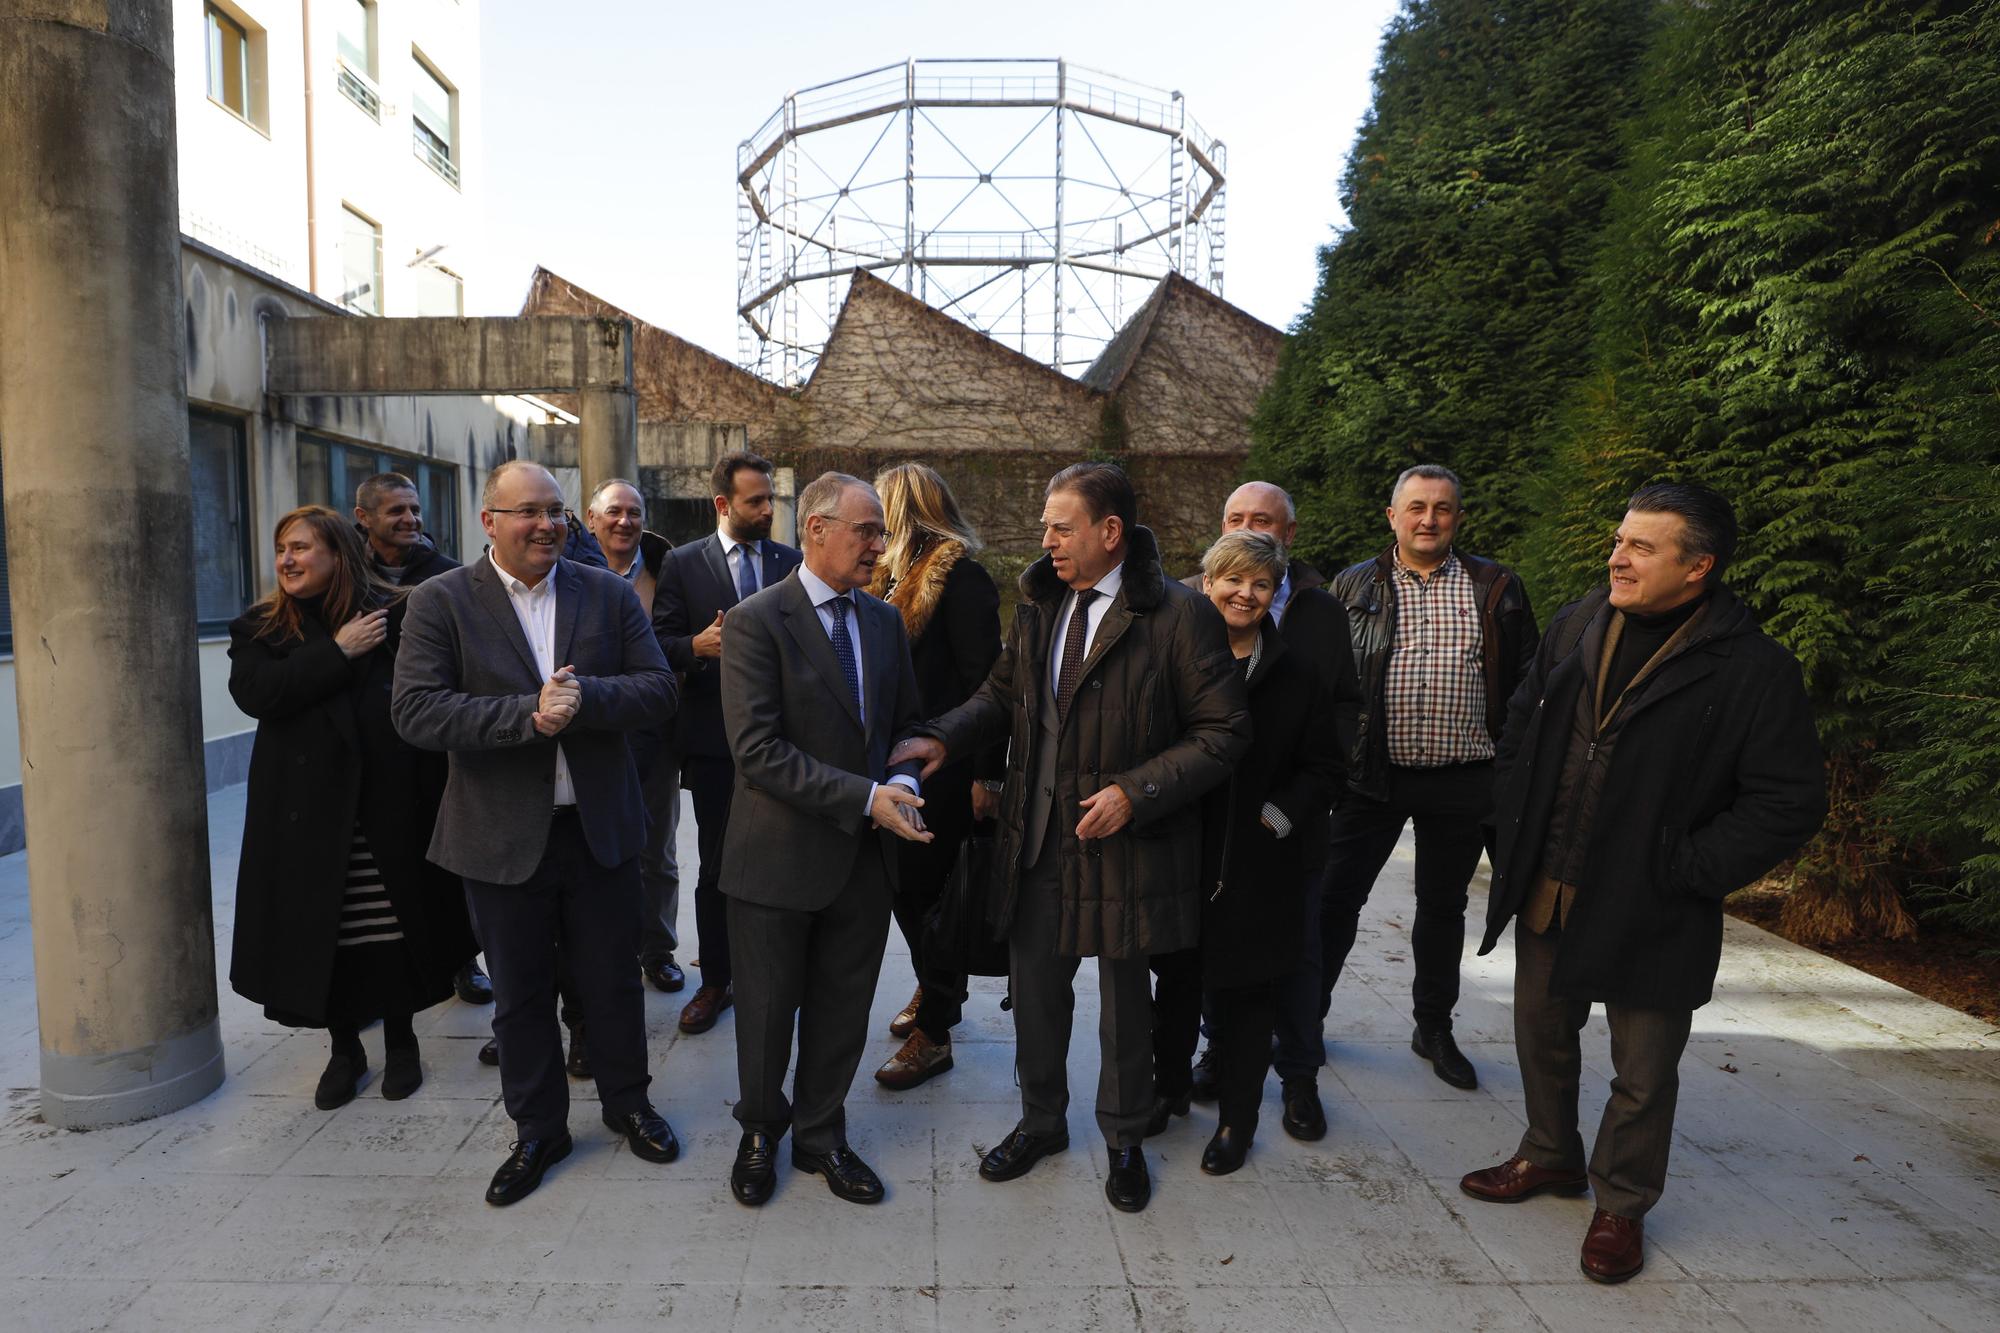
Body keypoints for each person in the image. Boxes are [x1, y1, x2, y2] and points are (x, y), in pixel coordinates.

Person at [1459, 481, 1824, 1283]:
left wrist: (1688, 869)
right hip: (1552, 879)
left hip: (1656, 903)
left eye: (1641, 547)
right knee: (1542, 1035)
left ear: (1698, 567)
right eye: (1620, 539)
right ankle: (1549, 1153)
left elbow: (1789, 800)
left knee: (1643, 1068)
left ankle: (1621, 1203)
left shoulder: (1754, 668)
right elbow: (1522, 720)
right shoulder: (1582, 619)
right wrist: (1511, 821)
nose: (1617, 557)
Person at [893, 462, 1248, 1214]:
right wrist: (942, 741)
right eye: (1047, 526)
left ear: (1109, 532)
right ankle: (1041, 1121)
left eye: (1062, 526)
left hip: (1126, 841)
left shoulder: (1179, 616)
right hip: (1038, 837)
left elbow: (1224, 732)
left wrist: (1134, 790)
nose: (1046, 540)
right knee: (1039, 994)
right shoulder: (1043, 601)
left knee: (1125, 1001)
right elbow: (999, 693)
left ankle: (1123, 1139)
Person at [392, 461, 680, 1206]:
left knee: (613, 981)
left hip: (600, 829)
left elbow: (658, 687)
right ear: (489, 521)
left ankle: (628, 1103)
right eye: (529, 512)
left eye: (556, 511)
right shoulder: (441, 602)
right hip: (497, 835)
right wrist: (525, 713)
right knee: (519, 994)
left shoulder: (607, 593)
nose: (548, 524)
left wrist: (581, 701)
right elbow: (417, 712)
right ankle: (538, 1129)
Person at [717, 472, 931, 1208]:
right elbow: (758, 751)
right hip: (775, 859)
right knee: (769, 1013)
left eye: (881, 533)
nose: (880, 545)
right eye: (867, 531)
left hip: (863, 863)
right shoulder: (755, 621)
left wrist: (908, 784)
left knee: (844, 1011)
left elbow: (905, 726)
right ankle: (759, 1132)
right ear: (815, 529)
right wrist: (869, 796)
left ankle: (821, 1136)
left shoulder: (884, 622)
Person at [228, 506, 476, 1109]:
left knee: (391, 926)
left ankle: (401, 1042)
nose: (287, 559)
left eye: (302, 548)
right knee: (328, 935)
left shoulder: (394, 614)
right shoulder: (261, 627)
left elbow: (429, 690)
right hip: (308, 814)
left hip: (389, 802)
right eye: (283, 548)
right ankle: (345, 1050)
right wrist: (337, 652)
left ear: (339, 554)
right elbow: (258, 694)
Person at [1321, 464, 1537, 1091]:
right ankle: (1304, 1018)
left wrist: (1510, 768)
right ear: (1392, 516)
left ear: (1458, 518)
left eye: (1442, 508)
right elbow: (1331, 684)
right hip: (1371, 777)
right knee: (1336, 901)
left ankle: (1433, 1027)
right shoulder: (1353, 585)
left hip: (1463, 778)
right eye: (1416, 507)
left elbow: (1527, 685)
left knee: (1442, 908)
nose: (1429, 519)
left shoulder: (1496, 586)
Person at [1150, 531, 1343, 1175]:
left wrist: (1281, 812)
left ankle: (1238, 1120)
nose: (1245, 594)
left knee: (1248, 995)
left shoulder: (1298, 674)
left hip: (1262, 865)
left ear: (1274, 594)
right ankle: (1169, 1090)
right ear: (1206, 585)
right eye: (1232, 580)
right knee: (1176, 984)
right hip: (1180, 854)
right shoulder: (1173, 661)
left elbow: (1324, 767)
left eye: (1260, 584)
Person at [1178, 481, 1362, 1141]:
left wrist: (1285, 810)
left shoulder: (1317, 616)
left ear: (1288, 532)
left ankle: (1300, 1078)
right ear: (1210, 571)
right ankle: (1218, 1054)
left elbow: (1337, 720)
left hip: (1283, 838)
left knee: (1294, 958)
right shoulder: (1182, 623)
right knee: (1206, 959)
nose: (1244, 588)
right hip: (1201, 840)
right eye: (1237, 519)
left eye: (1264, 521)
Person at [652, 452, 802, 1036]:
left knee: (782, 862)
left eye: (770, 499)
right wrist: (697, 646)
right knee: (715, 866)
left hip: (784, 744)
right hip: (715, 746)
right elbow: (657, 645)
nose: (768, 510)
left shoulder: (792, 563)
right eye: (755, 501)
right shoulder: (683, 565)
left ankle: (776, 974)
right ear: (723, 505)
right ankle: (715, 980)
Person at [864, 463, 1004, 1091]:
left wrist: (985, 777)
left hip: (944, 768)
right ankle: (935, 989)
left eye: (878, 509)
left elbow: (987, 686)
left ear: (903, 511)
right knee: (905, 892)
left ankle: (937, 1032)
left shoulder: (962, 580)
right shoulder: (888, 579)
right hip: (896, 765)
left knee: (931, 897)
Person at [352, 471, 492, 1011]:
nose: (410, 519)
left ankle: (462, 960)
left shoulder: (447, 578)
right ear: (364, 517)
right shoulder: (343, 576)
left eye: (414, 509)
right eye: (396, 511)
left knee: (449, 858)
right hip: (372, 745)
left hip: (435, 743)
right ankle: (396, 964)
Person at [585, 477, 686, 996]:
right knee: (592, 848)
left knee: (657, 848)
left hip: (655, 731)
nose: (625, 521)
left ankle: (658, 949)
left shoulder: (668, 572)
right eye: (614, 512)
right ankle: (603, 952)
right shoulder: (570, 571)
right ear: (591, 518)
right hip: (591, 729)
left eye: (634, 512)